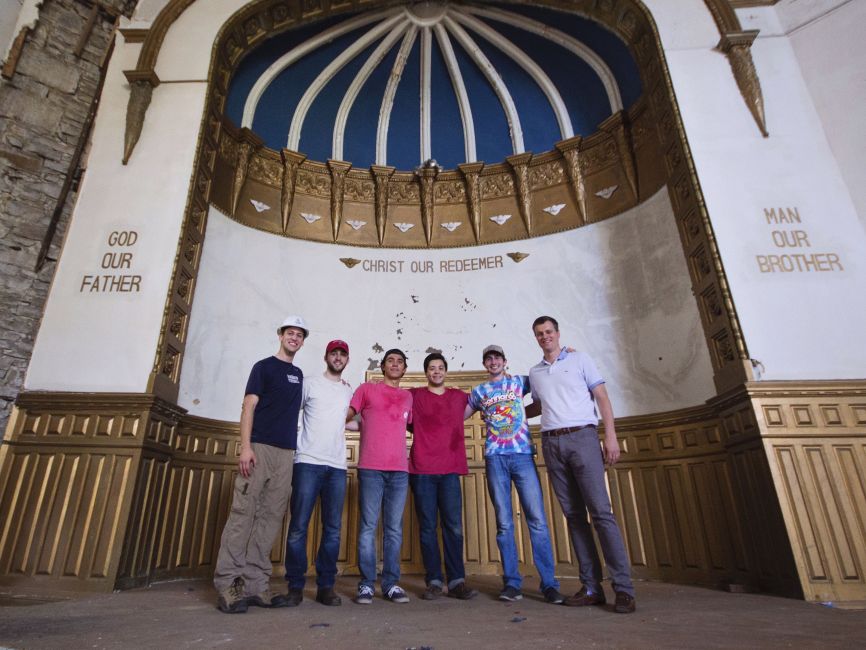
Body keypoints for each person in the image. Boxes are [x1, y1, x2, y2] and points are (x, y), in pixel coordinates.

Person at [527, 316, 636, 614]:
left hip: (583, 437)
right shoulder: (536, 372)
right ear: (536, 338)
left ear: (557, 333)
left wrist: (610, 436)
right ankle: (591, 587)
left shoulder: (580, 359)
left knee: (601, 513)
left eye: (549, 331)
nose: (545, 336)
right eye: (539, 333)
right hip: (551, 442)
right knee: (574, 516)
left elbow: (601, 397)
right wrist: (507, 412)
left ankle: (623, 589)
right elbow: (539, 405)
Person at [214, 315, 308, 614]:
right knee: (243, 513)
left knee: (271, 516)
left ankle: (255, 585)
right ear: (280, 335)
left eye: (299, 335)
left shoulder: (299, 375)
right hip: (259, 449)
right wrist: (246, 447)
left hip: (286, 453)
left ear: (303, 341)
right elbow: (248, 406)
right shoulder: (263, 367)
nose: (294, 338)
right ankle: (228, 584)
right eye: (290, 332)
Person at [465, 345, 565, 604]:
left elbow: (546, 382)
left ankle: (549, 584)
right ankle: (511, 584)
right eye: (489, 359)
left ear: (505, 361)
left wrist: (566, 355)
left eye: (497, 357)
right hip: (495, 458)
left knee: (537, 520)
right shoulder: (479, 391)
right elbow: (457, 416)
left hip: (522, 456)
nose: (493, 362)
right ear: (485, 365)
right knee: (504, 523)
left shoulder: (520, 382)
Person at [283, 339, 354, 607]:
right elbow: (290, 411)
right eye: (334, 353)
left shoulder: (348, 390)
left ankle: (326, 586)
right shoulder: (309, 383)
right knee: (298, 527)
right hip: (307, 462)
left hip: (337, 467)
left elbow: (351, 422)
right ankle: (295, 586)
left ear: (347, 360)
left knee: (333, 530)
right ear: (326, 357)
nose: (338, 358)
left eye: (342, 354)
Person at [408, 353, 478, 601]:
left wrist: (507, 377)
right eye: (431, 368)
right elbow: (391, 406)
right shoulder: (414, 396)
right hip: (422, 470)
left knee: (453, 527)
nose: (436, 371)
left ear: (446, 371)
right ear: (426, 372)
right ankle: (435, 581)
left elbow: (487, 400)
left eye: (440, 368)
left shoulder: (459, 397)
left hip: (449, 470)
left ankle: (457, 581)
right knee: (427, 527)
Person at [346, 348, 413, 605]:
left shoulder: (408, 397)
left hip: (400, 471)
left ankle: (390, 584)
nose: (395, 364)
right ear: (383, 366)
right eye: (390, 361)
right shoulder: (366, 389)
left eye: (400, 362)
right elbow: (347, 417)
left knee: (394, 529)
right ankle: (366, 585)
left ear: (404, 369)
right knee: (368, 527)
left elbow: (417, 426)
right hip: (371, 468)